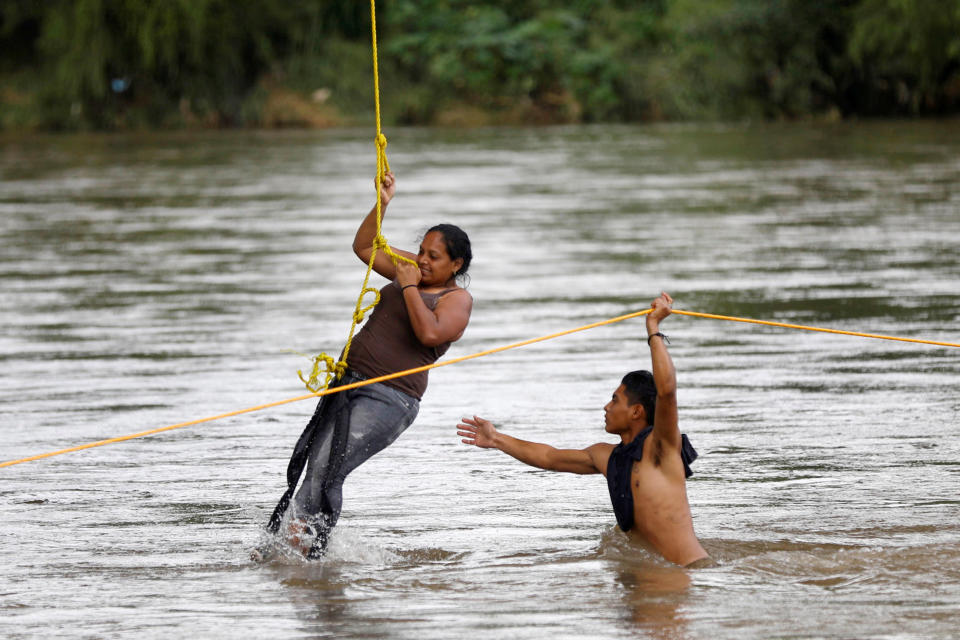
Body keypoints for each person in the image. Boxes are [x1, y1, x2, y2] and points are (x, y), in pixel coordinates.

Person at [263, 171, 474, 559]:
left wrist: (409, 285)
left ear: (456, 264)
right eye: (422, 251)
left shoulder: (456, 300)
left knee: (328, 467)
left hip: (390, 399)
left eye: (434, 257)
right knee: (315, 463)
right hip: (349, 383)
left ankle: (302, 553)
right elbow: (363, 246)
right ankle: (298, 552)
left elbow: (430, 334)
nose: (423, 260)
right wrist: (384, 203)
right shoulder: (411, 268)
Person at [456, 292, 710, 567]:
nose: (606, 407)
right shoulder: (605, 456)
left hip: (687, 571)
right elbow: (549, 457)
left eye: (615, 400)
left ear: (636, 411)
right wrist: (496, 439)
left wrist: (653, 329)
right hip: (647, 571)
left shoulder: (660, 446)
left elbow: (667, 391)